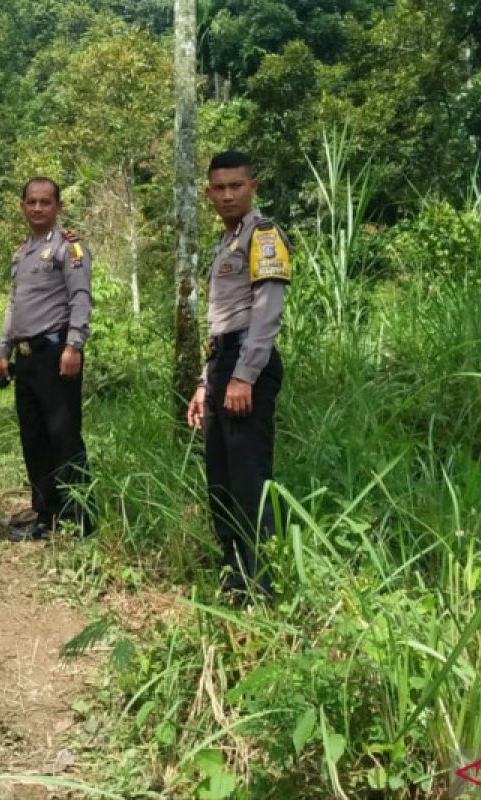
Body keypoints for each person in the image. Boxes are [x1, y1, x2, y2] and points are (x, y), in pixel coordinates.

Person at [186, 150, 291, 599]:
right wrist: (205, 381)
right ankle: (236, 573)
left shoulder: (263, 237)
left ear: (253, 187)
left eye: (236, 186)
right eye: (219, 187)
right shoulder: (226, 241)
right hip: (221, 363)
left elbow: (266, 313)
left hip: (248, 362)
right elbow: (219, 320)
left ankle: (262, 579)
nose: (227, 195)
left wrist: (244, 375)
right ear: (208, 192)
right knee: (221, 477)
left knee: (249, 476)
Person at [0, 177, 93, 541]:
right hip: (26, 359)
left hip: (56, 355)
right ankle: (45, 515)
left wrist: (74, 346)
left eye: (45, 202)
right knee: (33, 439)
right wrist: (3, 351)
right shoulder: (21, 254)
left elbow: (81, 297)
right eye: (31, 202)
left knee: (63, 436)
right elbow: (14, 304)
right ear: (22, 205)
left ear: (58, 207)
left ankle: (78, 518)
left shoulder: (70, 249)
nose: (38, 208)